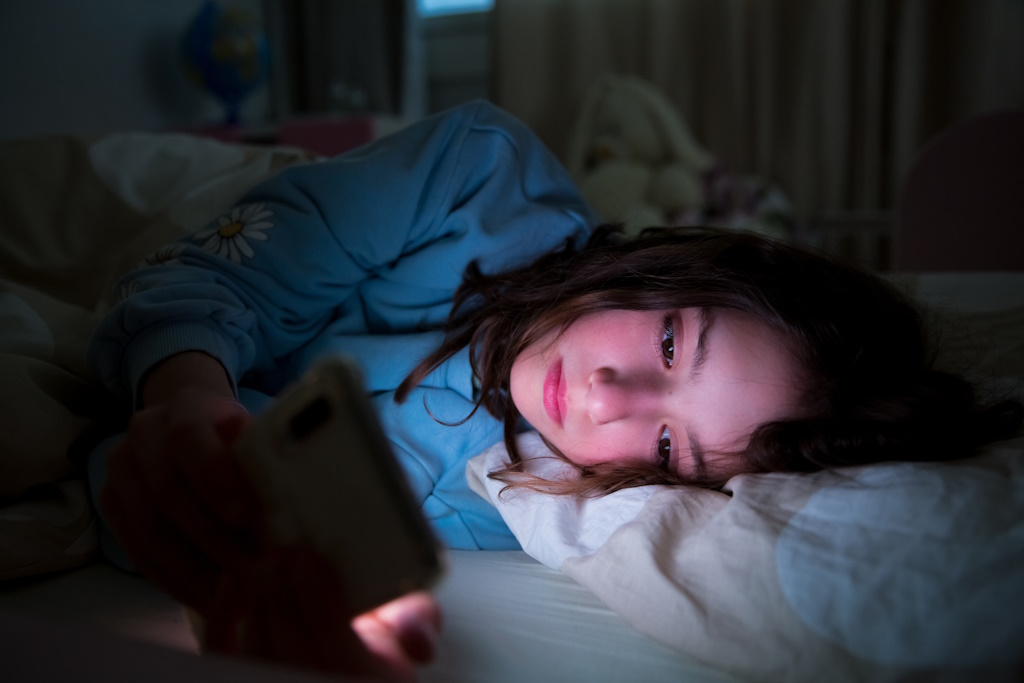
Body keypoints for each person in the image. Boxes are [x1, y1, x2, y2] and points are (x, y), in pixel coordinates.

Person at [87, 100, 1022, 678]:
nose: (612, 400)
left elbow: (195, 509)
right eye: (667, 339)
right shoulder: (482, 176)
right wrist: (179, 390)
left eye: (667, 448)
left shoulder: (513, 499)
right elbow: (217, 275)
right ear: (671, 266)